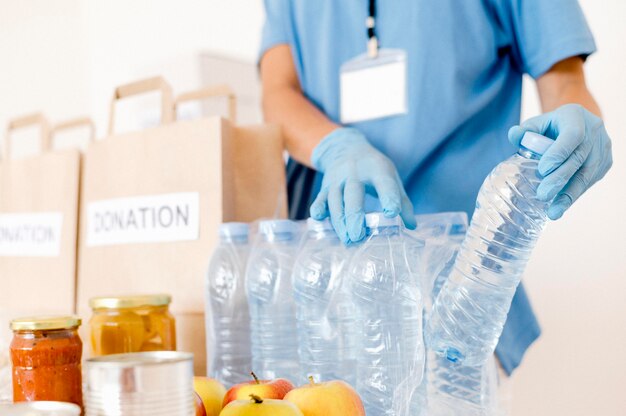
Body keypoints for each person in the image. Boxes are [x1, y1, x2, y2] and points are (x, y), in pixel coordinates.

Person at [258, 0, 613, 376]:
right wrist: (335, 146)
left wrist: (573, 126)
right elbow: (277, 92)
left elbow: (565, 83)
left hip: (458, 295)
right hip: (324, 294)